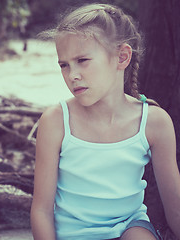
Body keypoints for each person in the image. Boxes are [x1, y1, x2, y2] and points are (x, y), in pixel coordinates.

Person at [30, 3, 180, 240]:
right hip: (73, 234)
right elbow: (41, 210)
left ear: (122, 57)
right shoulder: (56, 121)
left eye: (82, 60)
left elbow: (176, 210)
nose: (72, 75)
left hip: (129, 227)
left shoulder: (153, 122)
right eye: (64, 65)